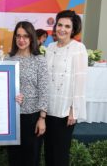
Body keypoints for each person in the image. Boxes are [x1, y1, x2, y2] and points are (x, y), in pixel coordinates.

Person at [44, 10, 88, 166]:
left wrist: (73, 110)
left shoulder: (78, 48)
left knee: (60, 153)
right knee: (49, 150)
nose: (62, 29)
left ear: (73, 29)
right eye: (60, 25)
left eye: (67, 26)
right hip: (48, 109)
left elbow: (80, 80)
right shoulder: (50, 47)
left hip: (65, 111)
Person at [5, 21, 49, 166]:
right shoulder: (8, 59)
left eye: (25, 36)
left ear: (32, 38)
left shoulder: (39, 60)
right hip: (11, 117)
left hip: (32, 116)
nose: (21, 40)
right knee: (14, 157)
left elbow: (44, 89)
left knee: (31, 158)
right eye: (18, 36)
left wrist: (42, 118)